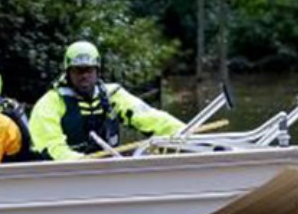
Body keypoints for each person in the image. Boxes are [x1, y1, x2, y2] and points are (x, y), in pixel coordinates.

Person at [29, 41, 185, 161]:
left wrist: (185, 133)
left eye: (89, 70)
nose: (84, 76)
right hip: (69, 173)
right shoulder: (50, 103)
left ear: (97, 71)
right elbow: (50, 146)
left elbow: (152, 119)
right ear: (68, 72)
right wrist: (83, 162)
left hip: (107, 168)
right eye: (78, 70)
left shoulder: (113, 95)